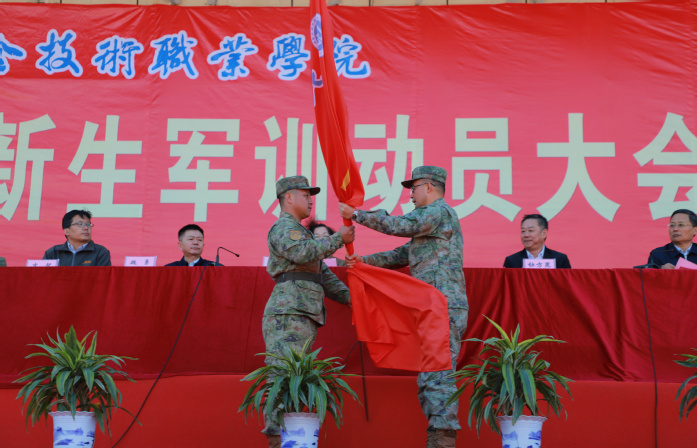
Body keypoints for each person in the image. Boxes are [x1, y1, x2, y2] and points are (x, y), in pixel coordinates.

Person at [338, 166, 468, 448]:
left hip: (442, 306)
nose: (410, 195)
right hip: (430, 308)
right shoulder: (430, 222)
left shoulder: (438, 212)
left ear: (429, 187)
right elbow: (402, 254)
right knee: (429, 373)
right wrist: (364, 262)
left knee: (438, 373)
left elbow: (400, 225)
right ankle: (437, 435)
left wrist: (357, 215)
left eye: (414, 188)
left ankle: (443, 437)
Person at [263, 175, 354, 448]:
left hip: (301, 313)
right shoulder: (284, 228)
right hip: (288, 313)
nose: (311, 200)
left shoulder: (301, 232)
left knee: (295, 378)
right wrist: (338, 239)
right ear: (289, 197)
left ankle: (292, 439)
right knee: (283, 377)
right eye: (305, 195)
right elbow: (303, 253)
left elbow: (323, 275)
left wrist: (352, 299)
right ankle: (277, 439)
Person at [43, 210, 111, 266]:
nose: (86, 228)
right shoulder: (53, 253)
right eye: (80, 224)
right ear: (67, 231)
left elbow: (102, 277)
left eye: (88, 224)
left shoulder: (100, 252)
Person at [503, 214, 571, 268]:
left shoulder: (559, 259)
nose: (526, 235)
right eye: (523, 231)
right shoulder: (511, 261)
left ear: (544, 233)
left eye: (531, 230)